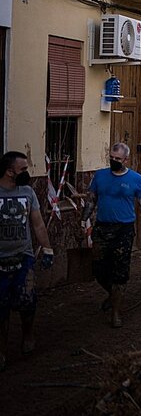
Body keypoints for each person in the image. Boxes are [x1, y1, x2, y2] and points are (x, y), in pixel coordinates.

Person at [81, 143, 141, 328]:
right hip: (102, 228)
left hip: (124, 230)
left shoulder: (136, 179)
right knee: (98, 268)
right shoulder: (100, 176)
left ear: (126, 160)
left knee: (120, 272)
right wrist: (83, 220)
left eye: (118, 159)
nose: (114, 161)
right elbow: (91, 199)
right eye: (111, 158)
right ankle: (114, 295)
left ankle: (115, 312)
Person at [0, 151, 53, 371]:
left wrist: (48, 249)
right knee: (1, 308)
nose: (27, 173)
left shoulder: (28, 192)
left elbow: (38, 224)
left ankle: (28, 333)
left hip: (24, 257)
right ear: (10, 171)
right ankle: (1, 350)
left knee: (28, 301)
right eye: (23, 169)